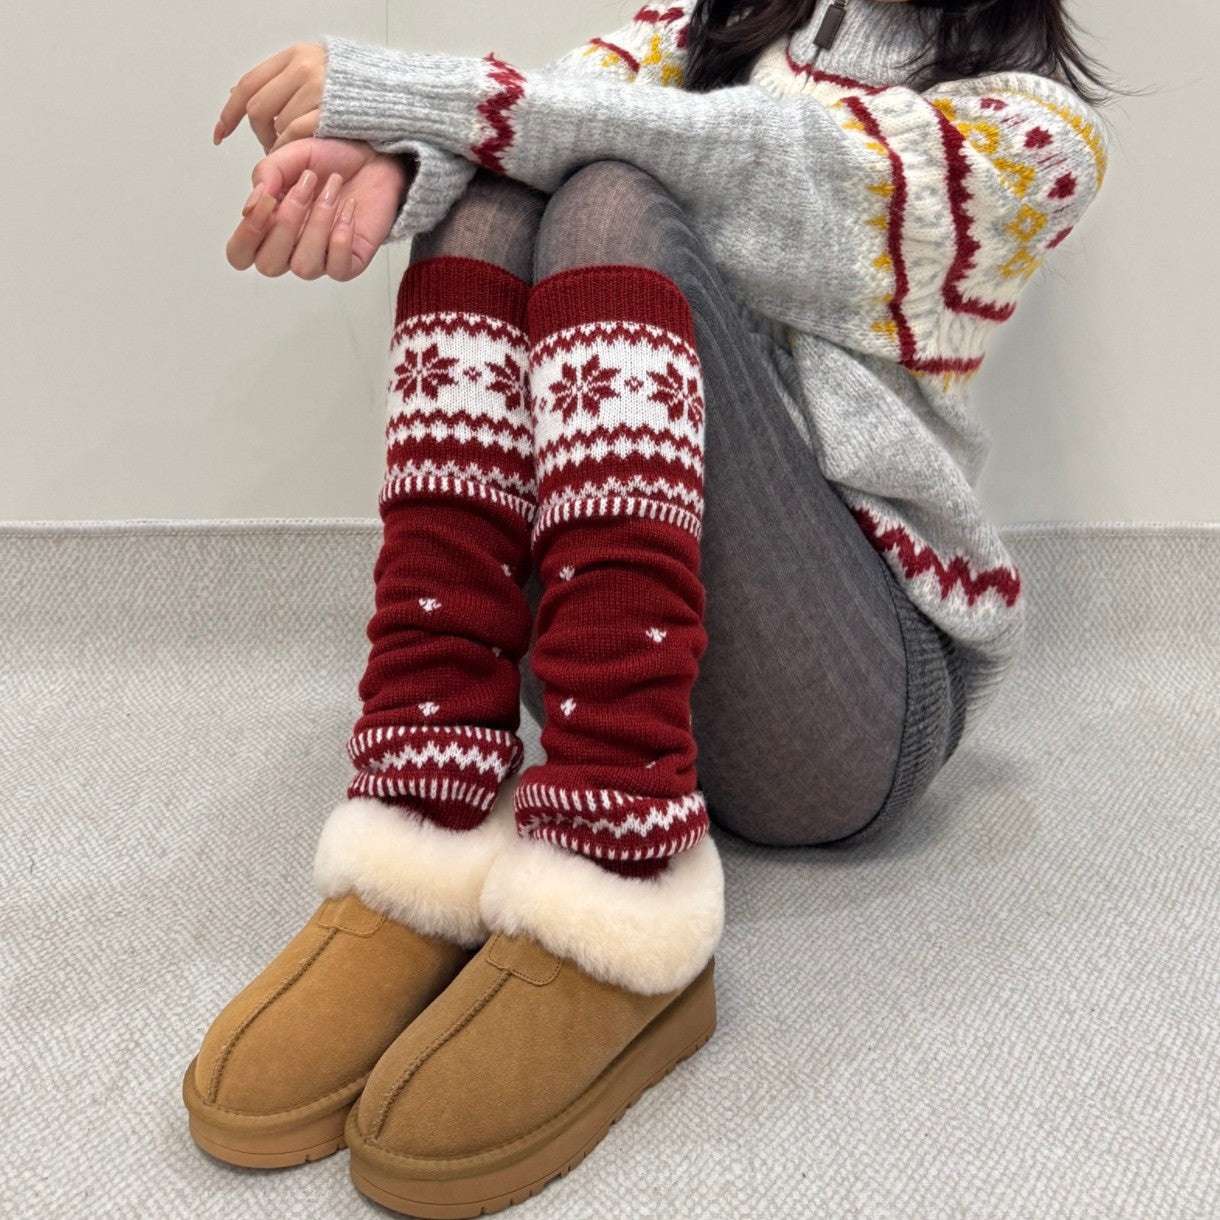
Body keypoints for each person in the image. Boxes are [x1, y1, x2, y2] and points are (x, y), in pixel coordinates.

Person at [182, 1, 1119, 1213]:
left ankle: (617, 880)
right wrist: (400, 166)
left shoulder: (1029, 136)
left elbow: (763, 168)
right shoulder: (688, 29)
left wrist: (408, 99)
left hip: (845, 708)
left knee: (608, 195)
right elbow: (528, 130)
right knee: (490, 200)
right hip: (608, 637)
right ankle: (424, 813)